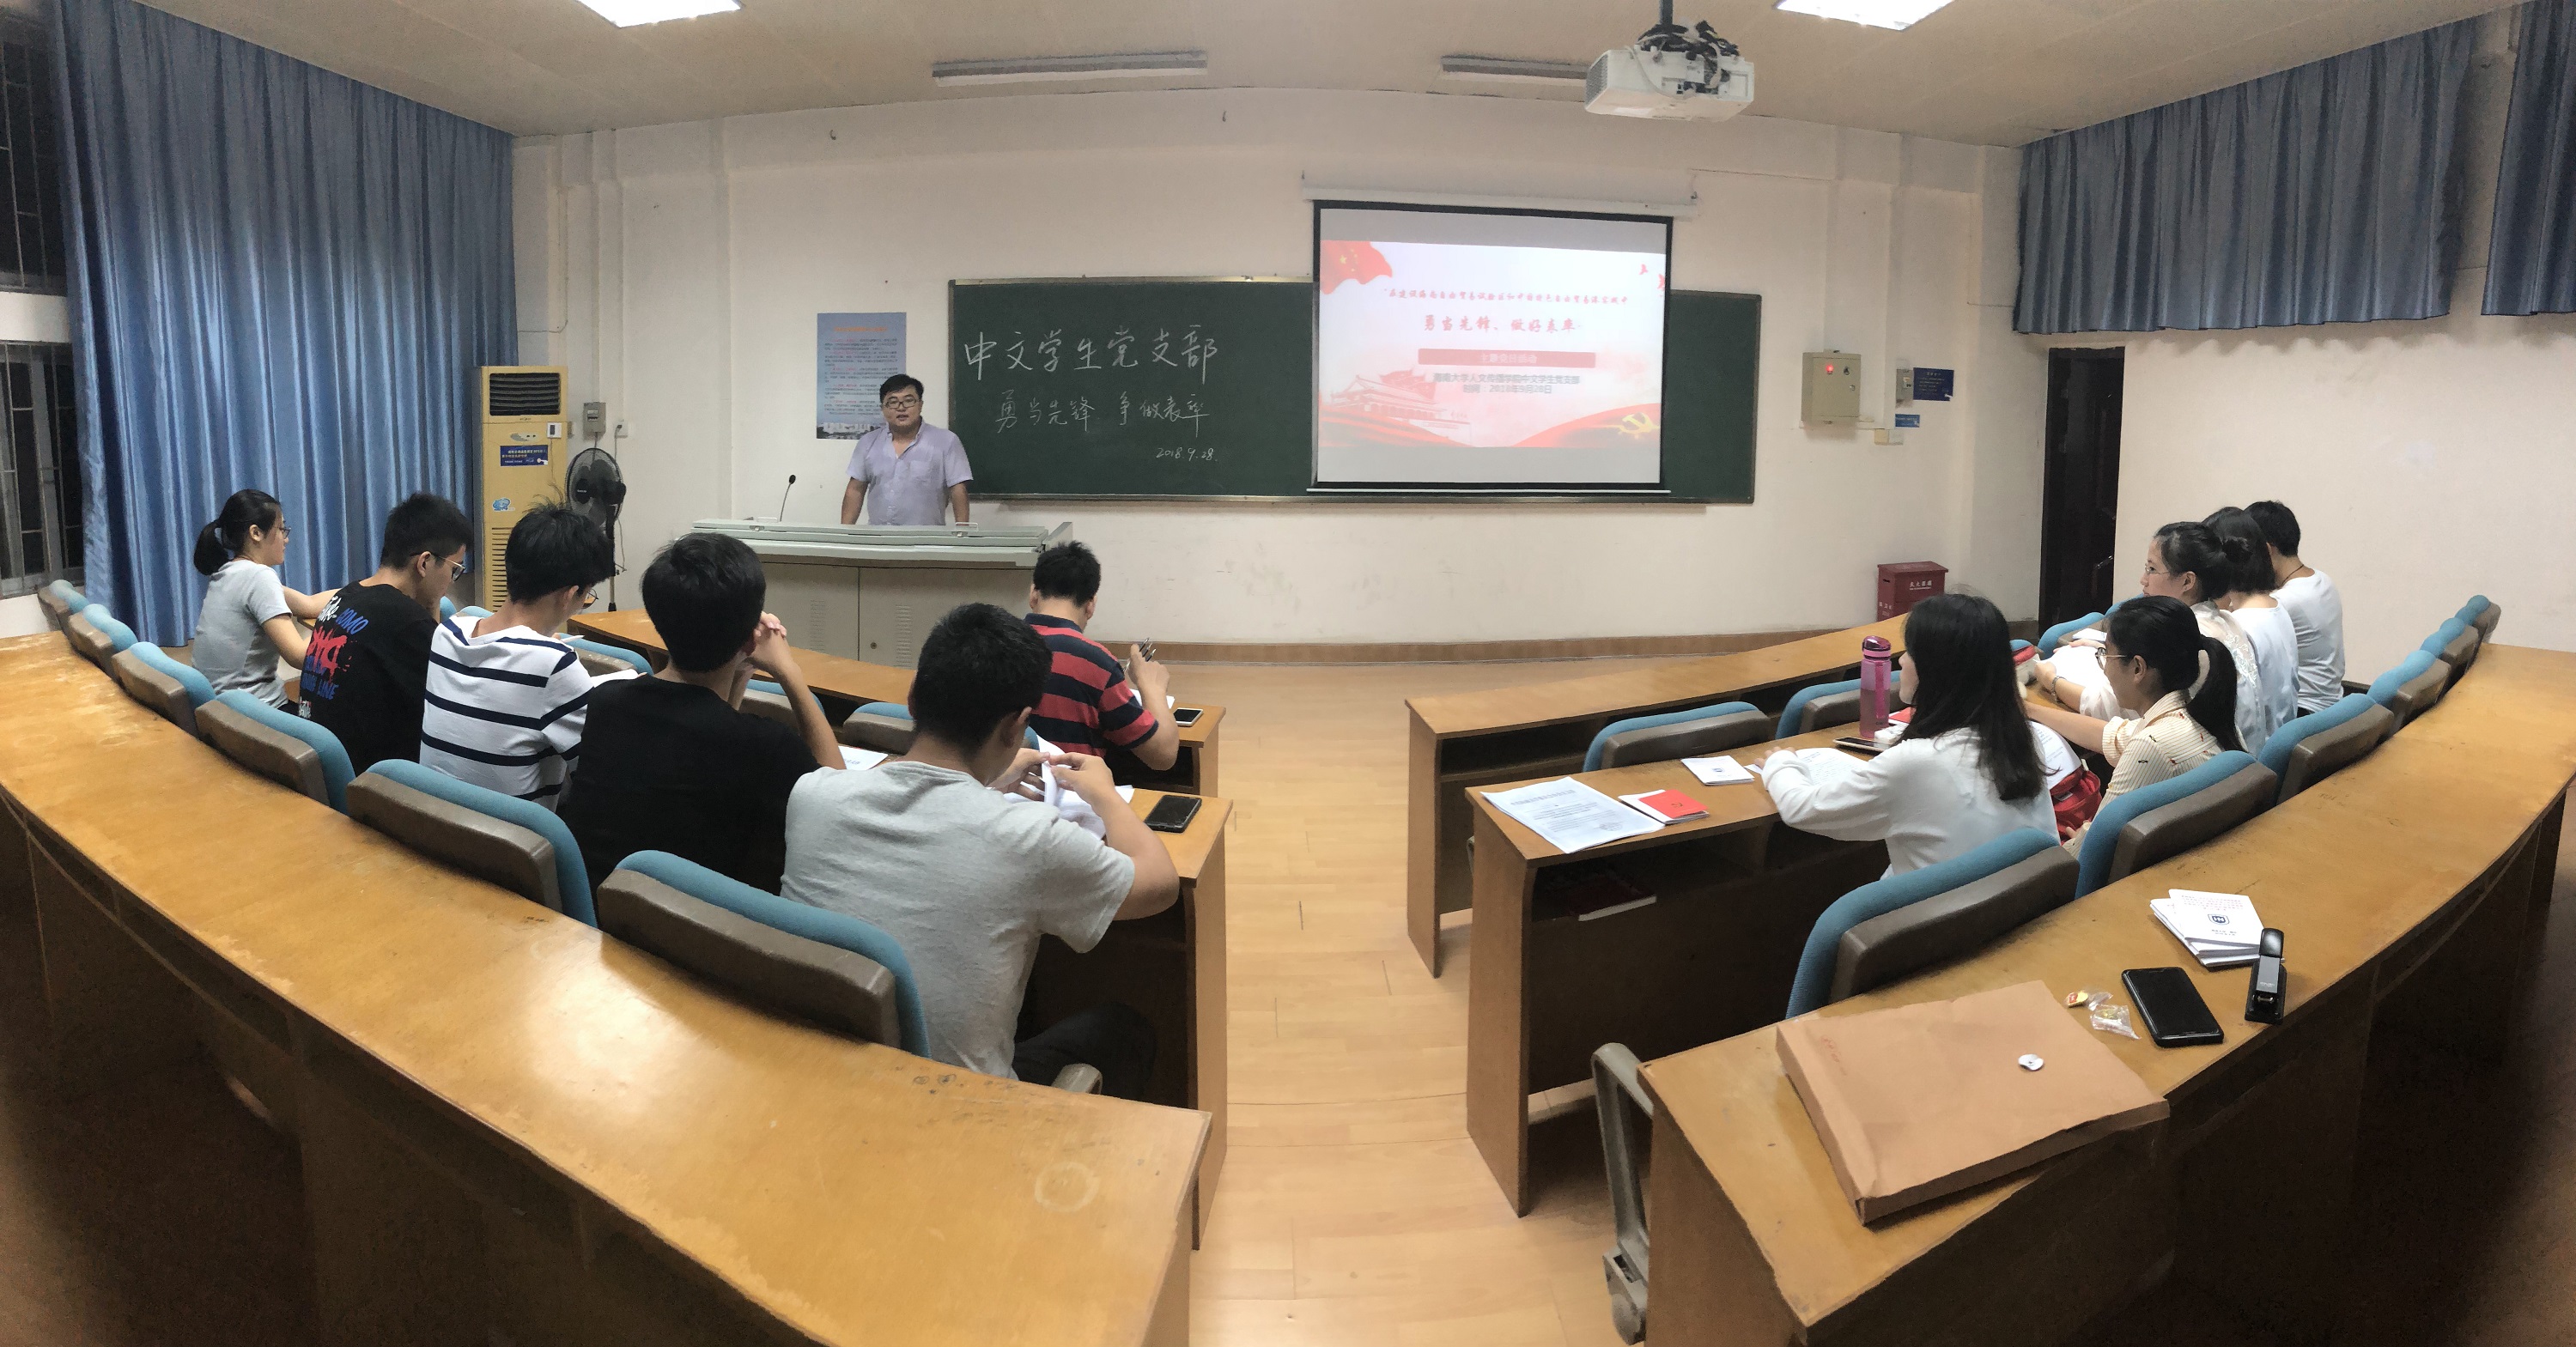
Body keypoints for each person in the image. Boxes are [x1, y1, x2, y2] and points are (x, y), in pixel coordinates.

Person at [781, 602, 1178, 1096]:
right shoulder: (1030, 839)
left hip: (820, 1082)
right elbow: (1160, 885)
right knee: (1122, 1031)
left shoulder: (812, 796)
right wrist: (1106, 795)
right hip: (957, 1110)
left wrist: (981, 785)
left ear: (913, 698)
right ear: (1017, 727)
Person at [557, 533, 844, 891]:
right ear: (750, 641)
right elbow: (840, 799)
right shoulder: (766, 746)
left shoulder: (606, 703)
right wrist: (789, 671)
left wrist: (741, 669)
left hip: (594, 910)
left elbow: (709, 721)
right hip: (691, 922)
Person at [1763, 594, 2054, 877]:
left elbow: (1802, 809)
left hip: (1941, 906)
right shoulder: (2022, 737)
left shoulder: (1916, 763)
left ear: (1936, 670)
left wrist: (1780, 764)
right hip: (2011, 899)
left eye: (1911, 653)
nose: (1901, 661)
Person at [418, 506, 617, 804]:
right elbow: (602, 775)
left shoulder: (447, 633)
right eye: (586, 596)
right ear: (569, 595)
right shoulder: (554, 665)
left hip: (435, 818)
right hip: (510, 833)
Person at [2026, 596, 2240, 853]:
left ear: (2138, 668)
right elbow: (2110, 735)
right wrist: (2029, 709)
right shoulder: (2204, 715)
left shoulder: (2152, 746)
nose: (2104, 669)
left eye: (2106, 655)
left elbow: (2092, 847)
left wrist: (2076, 842)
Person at [2034, 520, 2270, 752]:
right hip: (2239, 760)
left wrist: (2051, 680)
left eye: (2152, 569)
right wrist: (2104, 649)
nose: (2143, 580)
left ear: (2187, 581)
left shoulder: (2178, 636)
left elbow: (2104, 705)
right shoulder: (2227, 620)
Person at [299, 494, 473, 773]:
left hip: (324, 769)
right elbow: (457, 705)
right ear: (425, 563)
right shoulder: (405, 622)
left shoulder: (346, 596)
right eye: (454, 570)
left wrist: (429, 602)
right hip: (377, 783)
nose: (451, 583)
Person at [1024, 541, 1177, 769]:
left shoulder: (993, 644)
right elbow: (1163, 755)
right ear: (1091, 605)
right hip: (1070, 787)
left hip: (997, 787)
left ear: (1033, 594)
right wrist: (1151, 687)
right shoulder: (1095, 661)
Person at [191, 489, 335, 706]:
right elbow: (300, 657)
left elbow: (309, 604)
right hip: (254, 713)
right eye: (281, 530)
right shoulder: (259, 577)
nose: (286, 539)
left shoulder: (231, 572)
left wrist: (364, 589)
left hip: (221, 711)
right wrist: (338, 626)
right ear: (256, 533)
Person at [2205, 507, 2300, 745]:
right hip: (2281, 738)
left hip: (2256, 748)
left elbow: (2239, 714)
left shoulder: (2239, 625)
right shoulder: (2276, 608)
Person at [2246, 500, 2345, 714]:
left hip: (2303, 710)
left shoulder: (2282, 603)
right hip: (2332, 704)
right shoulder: (2323, 580)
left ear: (2266, 550)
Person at [838, 373, 973, 526]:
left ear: (920, 405)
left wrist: (962, 532)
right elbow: (855, 490)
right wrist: (845, 533)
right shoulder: (868, 442)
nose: (901, 408)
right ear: (883, 409)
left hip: (926, 538)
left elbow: (958, 489)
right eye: (893, 402)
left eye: (908, 401)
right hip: (879, 537)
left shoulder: (946, 441)